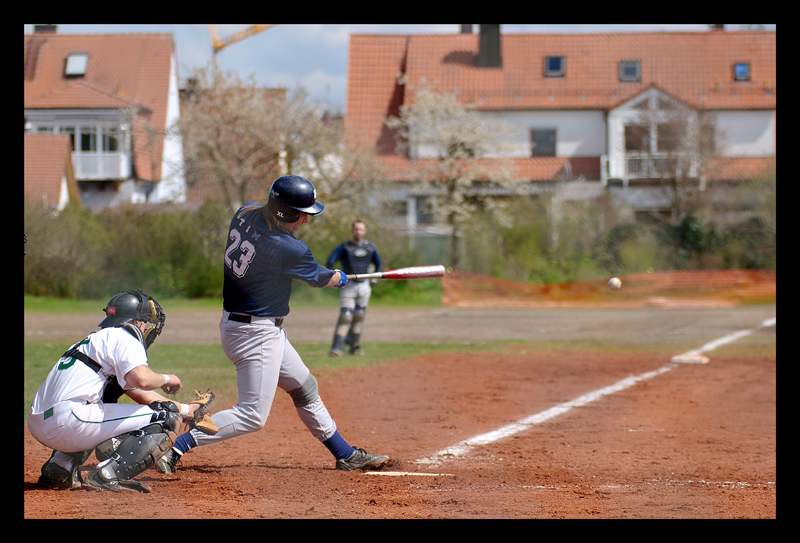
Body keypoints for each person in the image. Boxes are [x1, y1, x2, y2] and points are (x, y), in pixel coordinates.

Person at [157, 175, 389, 475]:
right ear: (288, 213)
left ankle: (345, 455)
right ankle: (178, 446)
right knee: (253, 415)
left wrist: (330, 274)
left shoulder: (245, 212)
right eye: (302, 214)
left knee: (305, 387)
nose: (305, 221)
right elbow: (322, 278)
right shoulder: (289, 248)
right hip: (255, 334)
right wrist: (339, 277)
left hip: (251, 328)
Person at [29, 290, 216, 493]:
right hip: (68, 421)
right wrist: (168, 379)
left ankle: (60, 465)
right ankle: (105, 476)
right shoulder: (124, 336)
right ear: (137, 321)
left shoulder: (98, 339)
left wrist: (187, 409)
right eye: (145, 322)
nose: (146, 328)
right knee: (166, 417)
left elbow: (138, 393)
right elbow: (141, 379)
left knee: (103, 403)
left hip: (41, 422)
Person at [324, 220, 382, 356]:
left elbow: (378, 263)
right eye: (356, 229)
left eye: (361, 229)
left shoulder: (370, 247)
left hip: (364, 286)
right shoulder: (344, 248)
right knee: (346, 316)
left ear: (365, 231)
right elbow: (330, 263)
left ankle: (354, 346)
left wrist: (374, 280)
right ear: (352, 230)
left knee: (359, 315)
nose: (358, 232)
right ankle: (337, 347)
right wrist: (334, 279)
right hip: (348, 286)